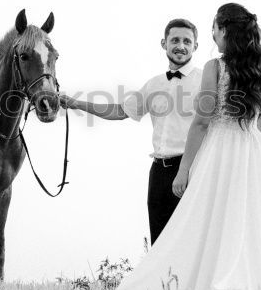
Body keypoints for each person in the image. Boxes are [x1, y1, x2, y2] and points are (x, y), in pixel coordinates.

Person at [113, 3, 261, 290]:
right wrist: (244, 143)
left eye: (214, 28)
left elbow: (201, 121)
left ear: (225, 30)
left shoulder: (216, 67)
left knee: (199, 226)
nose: (213, 35)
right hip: (250, 154)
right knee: (243, 223)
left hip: (217, 150)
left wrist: (184, 169)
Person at [60, 19, 202, 243]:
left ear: (195, 46)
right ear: (164, 43)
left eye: (187, 41)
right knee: (159, 241)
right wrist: (76, 104)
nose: (181, 46)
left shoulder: (204, 81)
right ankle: (163, 280)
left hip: (191, 168)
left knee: (189, 239)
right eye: (175, 40)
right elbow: (119, 110)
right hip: (158, 171)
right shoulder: (154, 84)